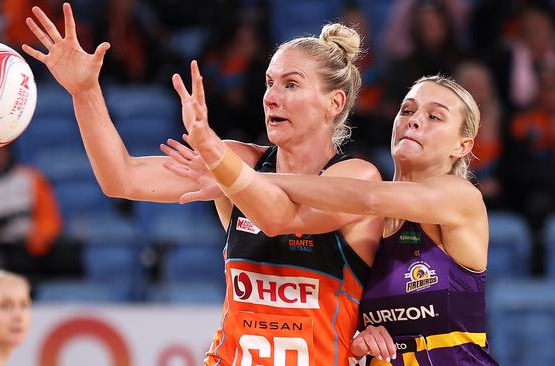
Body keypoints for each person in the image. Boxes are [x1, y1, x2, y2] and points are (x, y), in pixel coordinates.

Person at [22, 3, 382, 365]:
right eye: (269, 82)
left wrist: (222, 166)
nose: (272, 96)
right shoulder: (238, 161)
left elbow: (281, 218)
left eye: (291, 84)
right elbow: (122, 178)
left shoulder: (357, 176)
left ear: (334, 102)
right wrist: (85, 92)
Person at [165, 75, 499, 365]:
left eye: (435, 117)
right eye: (407, 110)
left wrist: (237, 177)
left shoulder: (460, 197)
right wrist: (361, 342)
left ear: (462, 146)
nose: (413, 121)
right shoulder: (364, 227)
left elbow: (366, 196)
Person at [0, 145, 71, 278]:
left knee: (66, 258)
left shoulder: (31, 178)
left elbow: (49, 220)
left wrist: (37, 240)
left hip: (35, 246)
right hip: (1, 250)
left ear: (7, 152)